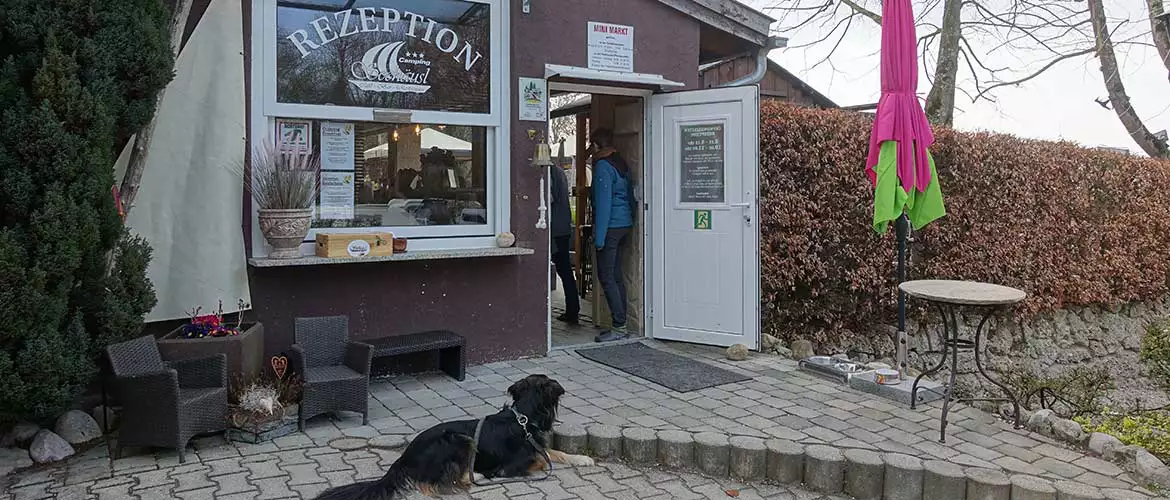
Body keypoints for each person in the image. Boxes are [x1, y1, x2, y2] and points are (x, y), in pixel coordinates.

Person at [589, 128, 635, 342]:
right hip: (624, 225)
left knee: (606, 277)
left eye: (592, 147)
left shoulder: (603, 167)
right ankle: (621, 324)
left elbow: (604, 204)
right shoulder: (621, 164)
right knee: (615, 275)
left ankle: (618, 326)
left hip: (610, 228)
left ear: (597, 146)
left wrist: (599, 239)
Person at [549, 149, 580, 325]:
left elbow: (550, 198)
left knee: (564, 270)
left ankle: (572, 312)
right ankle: (573, 310)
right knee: (566, 271)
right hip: (563, 226)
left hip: (555, 228)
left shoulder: (550, 172)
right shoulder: (559, 171)